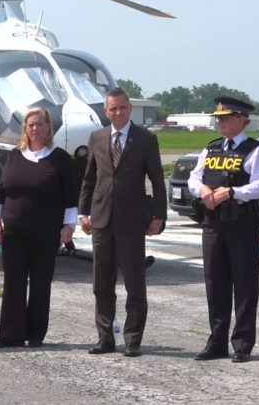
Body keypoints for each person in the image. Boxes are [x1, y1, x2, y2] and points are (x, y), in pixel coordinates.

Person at [79, 87, 167, 358]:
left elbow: (156, 179)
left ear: (130, 109)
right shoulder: (97, 137)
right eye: (113, 108)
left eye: (123, 108)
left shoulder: (144, 138)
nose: (118, 112)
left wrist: (158, 216)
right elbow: (89, 179)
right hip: (102, 219)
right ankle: (105, 338)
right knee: (101, 283)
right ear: (105, 111)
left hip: (132, 219)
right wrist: (83, 212)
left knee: (135, 283)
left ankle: (133, 339)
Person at [187, 96, 259, 363]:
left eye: (224, 118)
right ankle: (217, 341)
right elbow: (194, 177)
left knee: (244, 284)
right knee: (215, 282)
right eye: (218, 118)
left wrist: (232, 192)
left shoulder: (253, 150)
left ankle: (243, 344)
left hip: (242, 224)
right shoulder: (211, 149)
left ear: (241, 119)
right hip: (213, 224)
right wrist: (202, 190)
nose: (219, 122)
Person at [0, 107, 77, 349]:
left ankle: (36, 334)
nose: (35, 129)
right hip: (14, 232)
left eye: (39, 124)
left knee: (40, 282)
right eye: (30, 125)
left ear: (48, 128)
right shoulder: (15, 156)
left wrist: (69, 226)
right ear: (25, 128)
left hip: (45, 233)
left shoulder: (59, 158)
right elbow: (1, 190)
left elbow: (70, 195)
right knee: (13, 282)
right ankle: (10, 335)